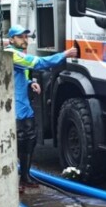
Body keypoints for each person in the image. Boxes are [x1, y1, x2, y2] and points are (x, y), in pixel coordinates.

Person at [5, 26, 76, 192]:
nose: (25, 40)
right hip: (16, 107)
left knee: (29, 140)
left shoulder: (17, 54)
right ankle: (19, 179)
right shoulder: (11, 54)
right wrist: (64, 54)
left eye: (26, 37)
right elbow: (38, 63)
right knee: (21, 140)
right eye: (20, 37)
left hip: (23, 104)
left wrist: (31, 83)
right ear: (11, 40)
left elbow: (19, 74)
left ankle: (25, 177)